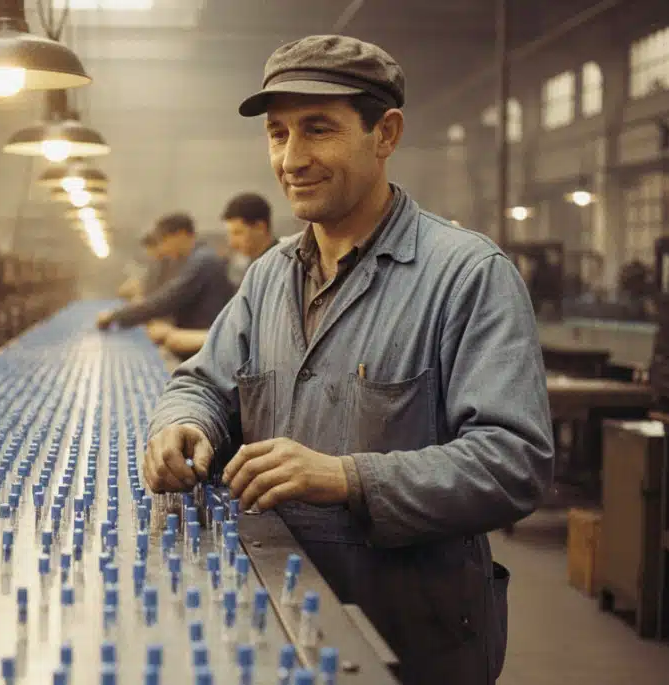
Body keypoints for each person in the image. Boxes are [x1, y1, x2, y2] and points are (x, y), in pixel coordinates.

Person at [141, 36, 552, 685]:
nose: (291, 158)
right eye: (278, 134)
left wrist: (348, 477)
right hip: (274, 616)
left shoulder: (467, 276)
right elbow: (202, 383)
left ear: (384, 133)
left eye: (318, 130)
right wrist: (182, 423)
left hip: (414, 637)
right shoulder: (268, 276)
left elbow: (515, 463)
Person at [158, 192, 280, 356]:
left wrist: (202, 338)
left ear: (260, 227)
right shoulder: (256, 265)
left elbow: (265, 334)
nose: (231, 242)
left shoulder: (278, 268)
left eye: (238, 233)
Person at [96, 213, 232, 331]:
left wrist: (116, 316)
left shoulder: (203, 261)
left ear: (180, 234)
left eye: (164, 240)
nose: (163, 248)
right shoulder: (192, 259)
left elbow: (168, 299)